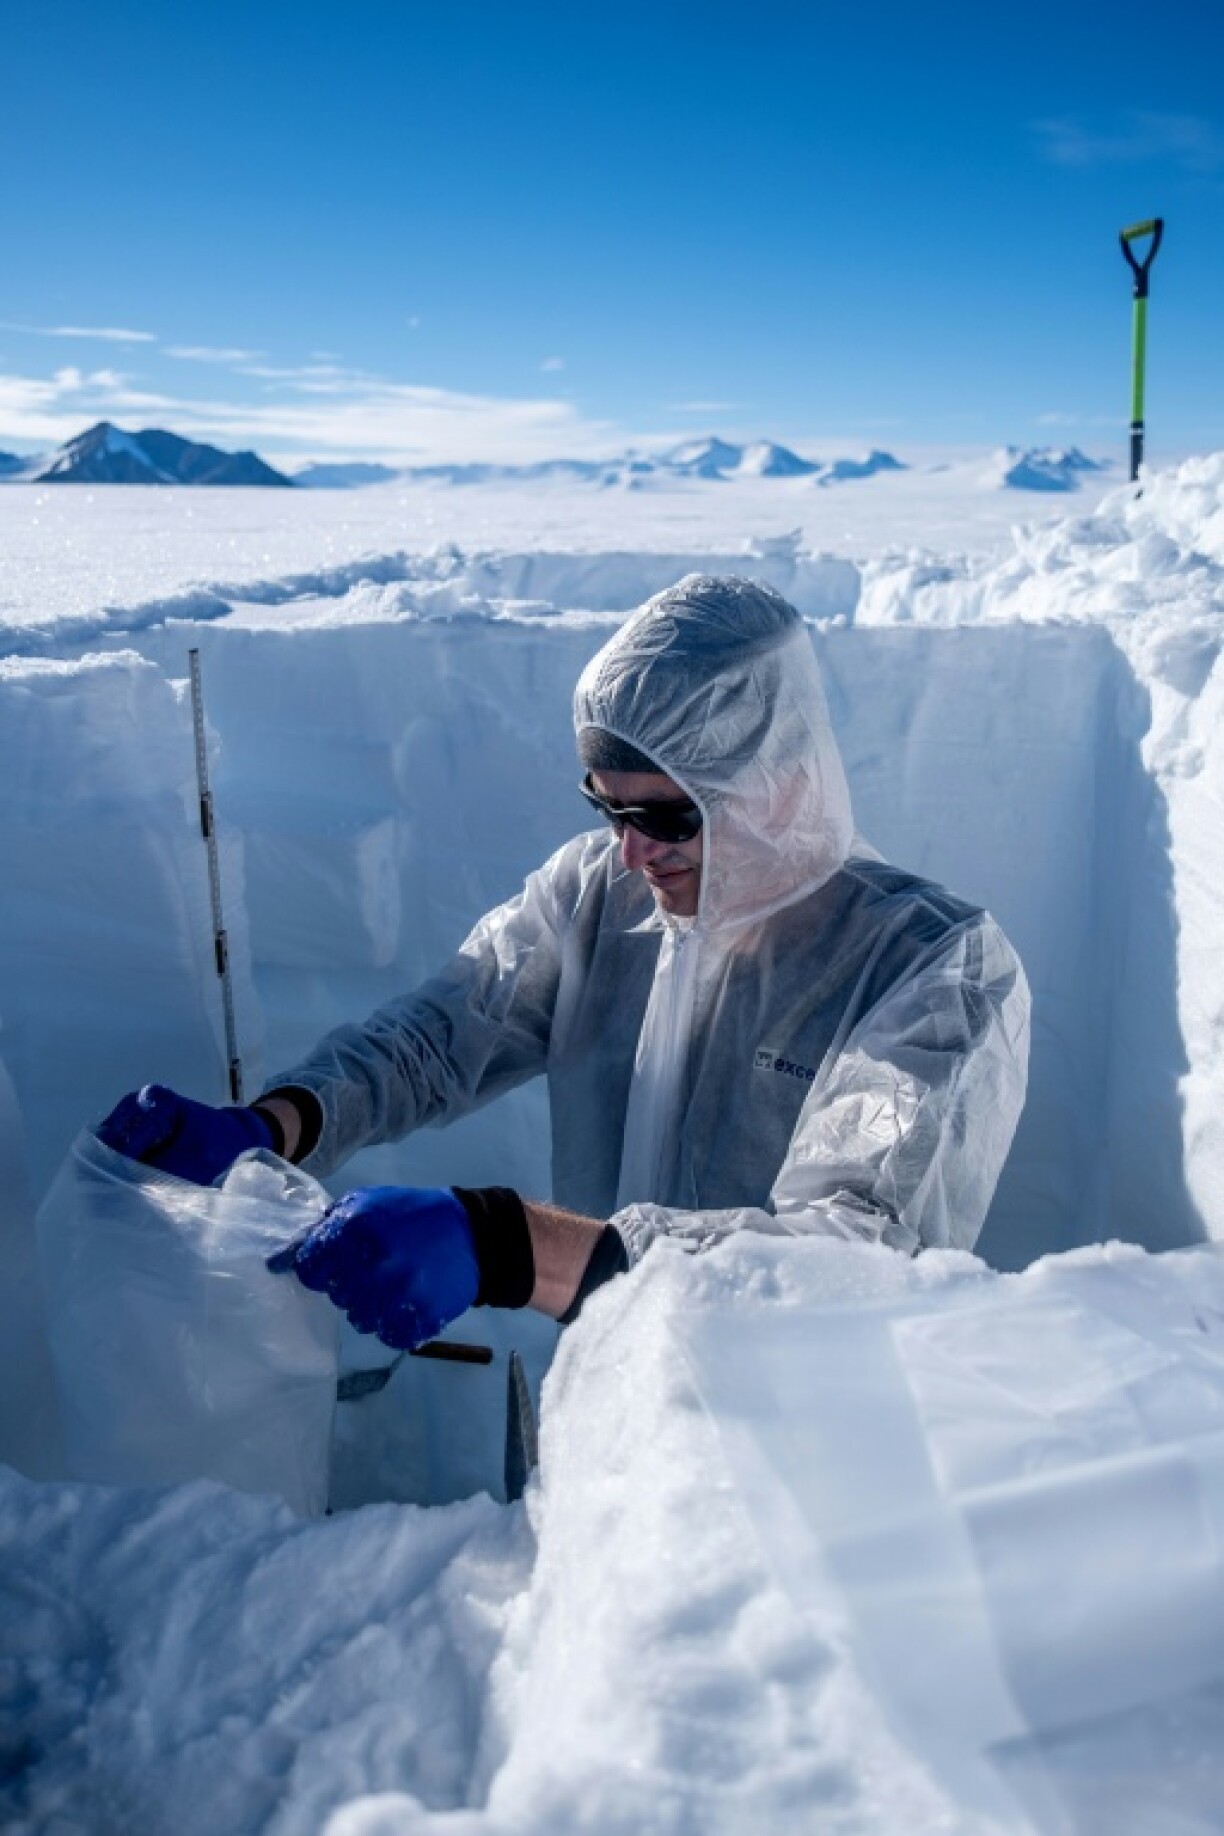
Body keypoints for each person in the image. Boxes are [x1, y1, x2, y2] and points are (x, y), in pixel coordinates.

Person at [99, 575, 1031, 1349]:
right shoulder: (601, 893)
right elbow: (441, 1037)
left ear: (781, 783)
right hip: (607, 1390)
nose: (631, 852)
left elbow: (851, 1258)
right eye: (608, 809)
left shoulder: (934, 971)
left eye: (667, 816)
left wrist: (510, 1246)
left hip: (804, 1455)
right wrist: (281, 1123)